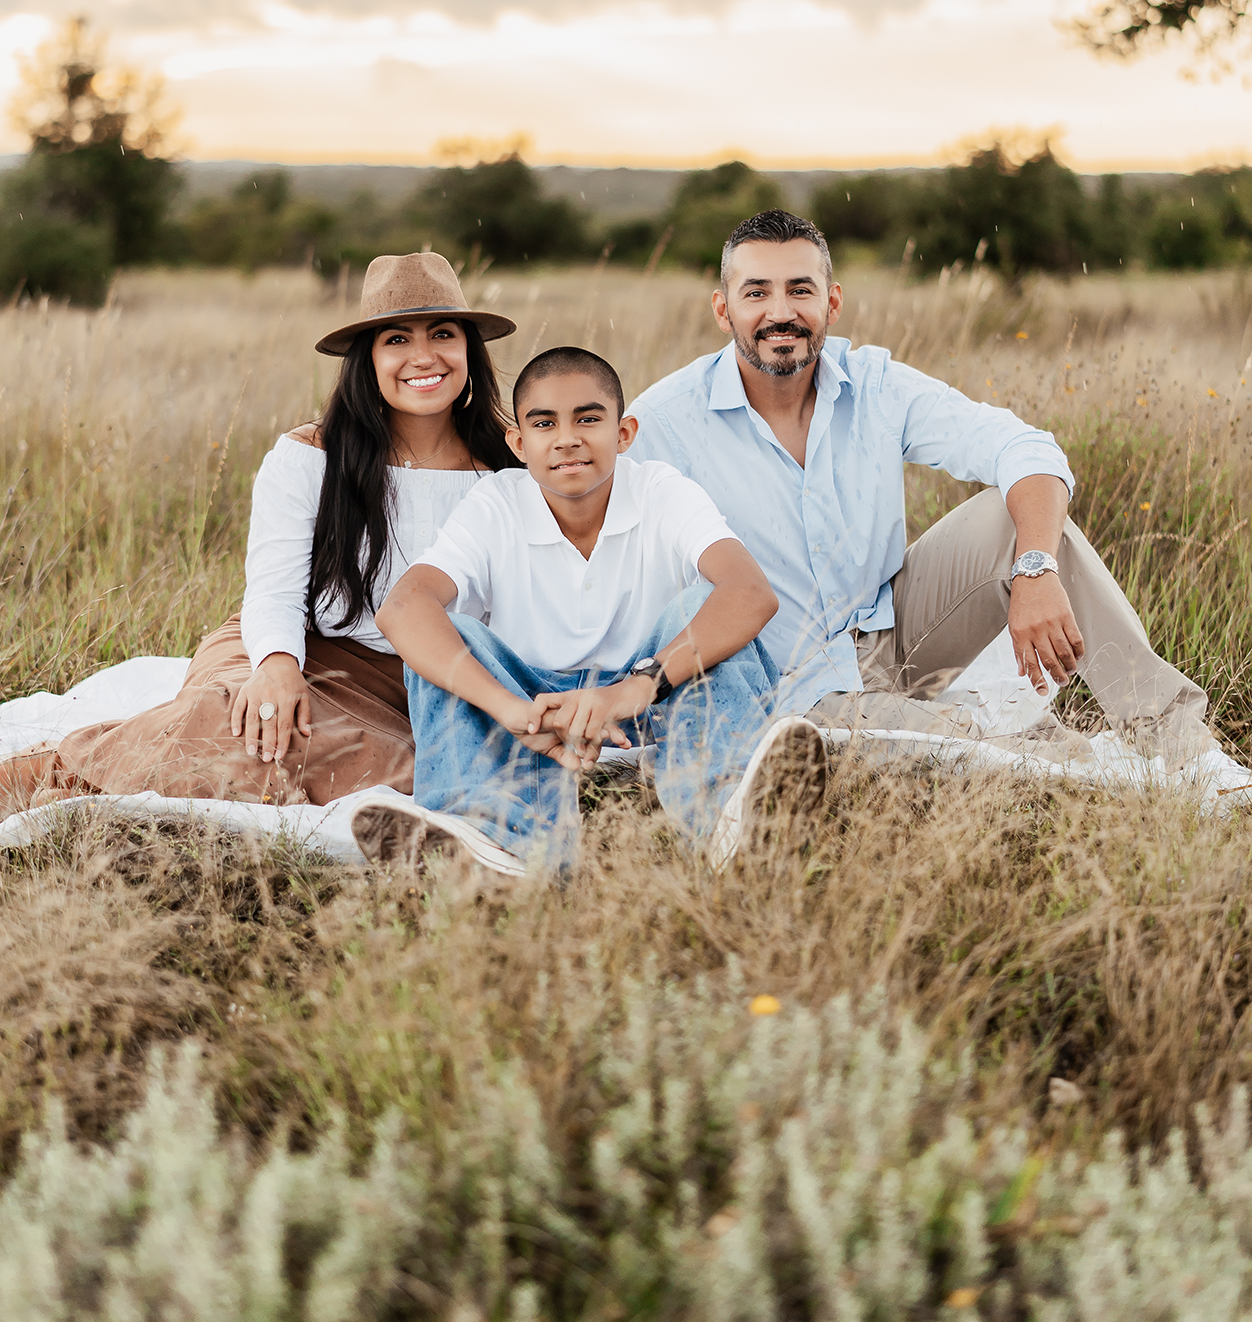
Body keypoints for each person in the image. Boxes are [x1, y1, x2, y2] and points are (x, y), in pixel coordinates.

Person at [627, 208, 1251, 796]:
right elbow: (580, 520)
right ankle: (1096, 771)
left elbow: (1022, 447)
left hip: (889, 631)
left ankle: (1182, 748)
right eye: (756, 292)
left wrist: (1034, 568)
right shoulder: (664, 421)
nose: (780, 312)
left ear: (831, 301)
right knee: (994, 755)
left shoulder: (874, 384)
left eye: (800, 290)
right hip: (789, 683)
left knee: (1022, 522)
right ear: (723, 309)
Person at [0, 253, 516, 811]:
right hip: (297, 645)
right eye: (396, 339)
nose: (422, 357)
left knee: (395, 773)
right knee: (243, 717)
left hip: (425, 677)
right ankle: (54, 774)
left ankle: (96, 779)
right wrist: (276, 666)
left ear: (470, 349)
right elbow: (274, 590)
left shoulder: (511, 464)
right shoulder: (310, 456)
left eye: (443, 333)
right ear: (367, 359)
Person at [350, 346, 828, 876]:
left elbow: (749, 592)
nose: (567, 438)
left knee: (701, 606)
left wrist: (634, 688)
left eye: (588, 419)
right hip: (533, 703)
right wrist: (510, 708)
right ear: (519, 442)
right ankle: (498, 848)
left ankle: (733, 821)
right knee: (449, 633)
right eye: (544, 423)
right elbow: (403, 607)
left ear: (623, 434)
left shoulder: (662, 490)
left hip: (654, 693)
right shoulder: (495, 503)